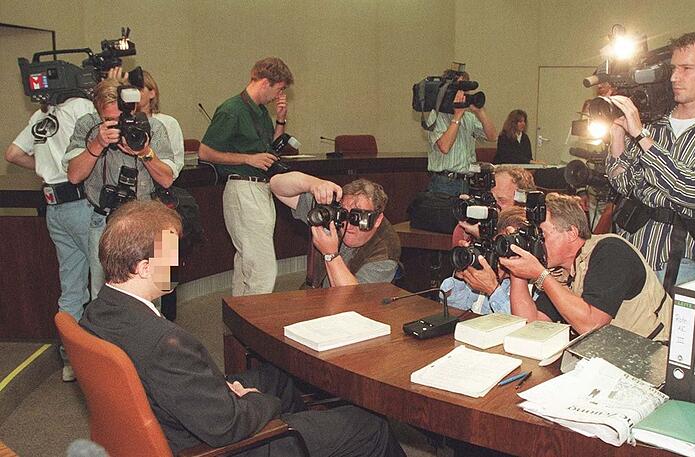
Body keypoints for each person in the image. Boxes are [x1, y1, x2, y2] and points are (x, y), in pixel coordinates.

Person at [79, 200, 405, 457]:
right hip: (218, 444)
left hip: (182, 412)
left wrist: (225, 392)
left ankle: (307, 440)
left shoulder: (96, 313)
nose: (179, 263)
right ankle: (292, 438)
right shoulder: (165, 343)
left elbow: (172, 384)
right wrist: (257, 401)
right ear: (143, 267)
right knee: (371, 426)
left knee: (279, 377)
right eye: (172, 255)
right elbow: (227, 427)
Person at [605, 31, 695, 287]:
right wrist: (617, 133)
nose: (674, 77)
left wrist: (642, 138)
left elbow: (694, 192)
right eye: (673, 68)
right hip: (627, 252)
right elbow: (623, 184)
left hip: (675, 260)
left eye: (686, 68)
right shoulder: (652, 122)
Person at [199, 57, 340, 296]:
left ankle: (238, 315)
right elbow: (205, 152)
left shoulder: (260, 111)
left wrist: (280, 119)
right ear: (265, 82)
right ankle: (256, 316)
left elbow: (270, 149)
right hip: (243, 187)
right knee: (262, 270)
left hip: (261, 188)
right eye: (279, 89)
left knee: (247, 264)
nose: (279, 95)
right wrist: (248, 159)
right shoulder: (232, 110)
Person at [64, 77, 183, 299]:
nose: (119, 126)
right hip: (104, 220)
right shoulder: (88, 126)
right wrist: (97, 144)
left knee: (155, 291)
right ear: (99, 114)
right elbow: (74, 176)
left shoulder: (152, 127)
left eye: (122, 118)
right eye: (110, 120)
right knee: (104, 295)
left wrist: (145, 152)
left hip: (149, 217)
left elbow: (167, 180)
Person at [5, 94, 95, 382]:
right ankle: (104, 360)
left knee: (71, 289)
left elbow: (13, 154)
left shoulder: (40, 116)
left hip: (54, 208)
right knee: (103, 283)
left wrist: (46, 167)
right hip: (82, 204)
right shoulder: (80, 107)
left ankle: (71, 361)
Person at [501, 193, 671, 341]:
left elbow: (591, 326)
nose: (536, 243)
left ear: (571, 233)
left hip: (652, 353)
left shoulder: (610, 251)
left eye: (542, 235)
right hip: (608, 355)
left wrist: (541, 275)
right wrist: (517, 270)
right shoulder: (561, 272)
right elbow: (530, 326)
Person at [280, 178, 401, 288]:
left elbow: (352, 297)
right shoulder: (334, 215)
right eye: (345, 214)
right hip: (316, 294)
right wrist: (312, 184)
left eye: (358, 218)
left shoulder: (385, 251)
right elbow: (277, 187)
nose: (349, 225)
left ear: (377, 220)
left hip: (355, 303)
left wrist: (330, 254)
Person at [444, 206, 532, 314]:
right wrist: (461, 276)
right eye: (499, 245)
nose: (501, 253)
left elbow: (522, 321)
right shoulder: (490, 270)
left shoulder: (535, 285)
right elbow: (453, 306)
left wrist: (493, 289)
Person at [426, 69, 498, 195]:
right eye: (459, 89)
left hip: (466, 182)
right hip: (444, 182)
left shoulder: (469, 117)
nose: (463, 93)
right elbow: (444, 147)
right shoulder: (437, 115)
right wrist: (457, 115)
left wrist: (480, 112)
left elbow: (492, 136)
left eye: (465, 90)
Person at [452, 165, 535, 245]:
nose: (492, 205)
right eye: (489, 198)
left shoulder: (531, 232)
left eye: (501, 200)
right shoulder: (466, 228)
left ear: (522, 205)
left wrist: (485, 238)